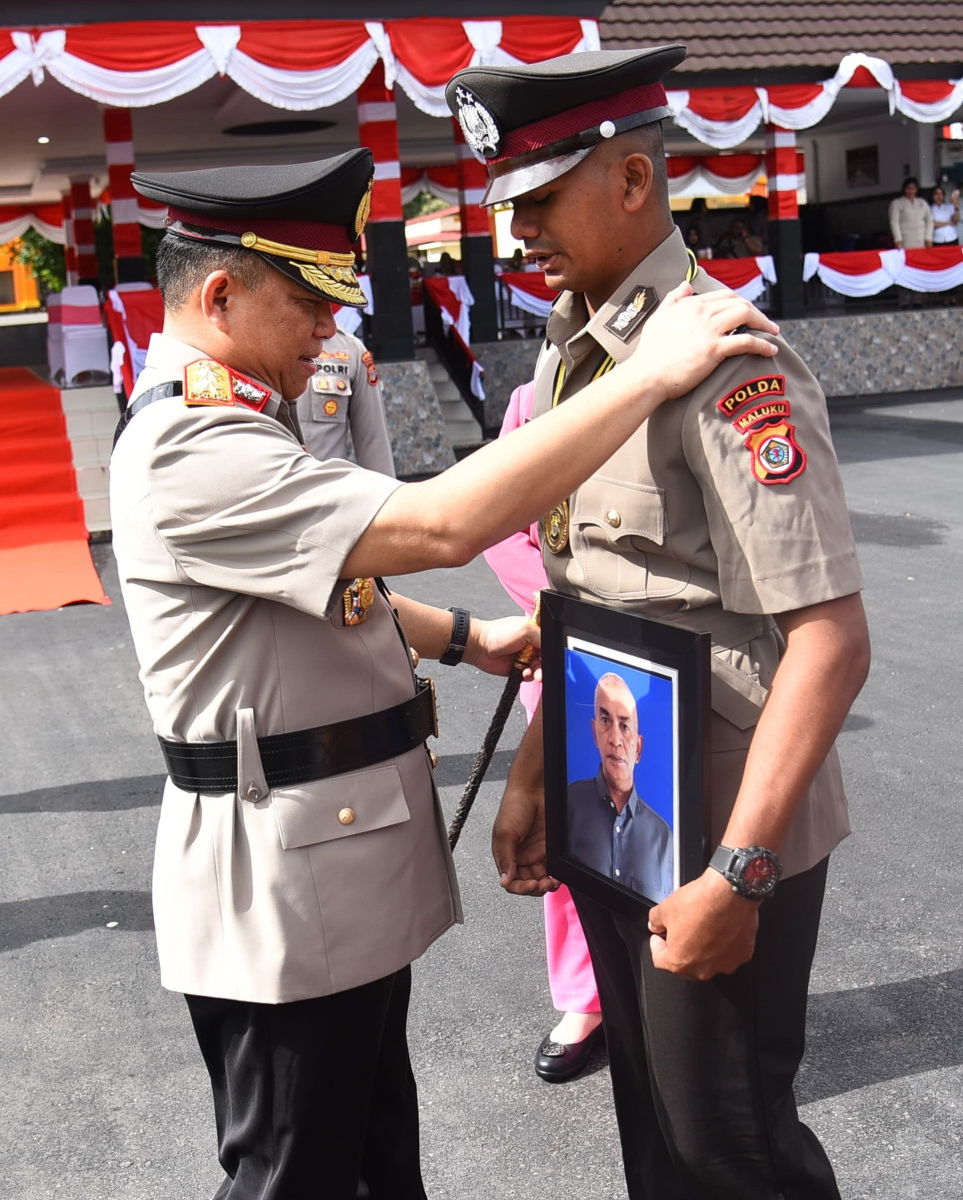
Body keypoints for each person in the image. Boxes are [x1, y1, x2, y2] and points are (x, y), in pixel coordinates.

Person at [112, 146, 779, 1200]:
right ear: (223, 294)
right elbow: (436, 522)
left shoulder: (243, 414)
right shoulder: (193, 446)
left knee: (373, 1160)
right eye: (307, 302)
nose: (330, 329)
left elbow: (331, 588)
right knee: (296, 1170)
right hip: (286, 874)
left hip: (329, 854)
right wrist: (648, 371)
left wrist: (467, 640)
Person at [448, 44, 870, 1200]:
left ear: (632, 182)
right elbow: (579, 590)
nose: (515, 232)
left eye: (537, 200)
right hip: (616, 797)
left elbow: (829, 640)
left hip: (724, 821)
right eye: (507, 207)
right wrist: (537, 774)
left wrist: (740, 871)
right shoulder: (577, 345)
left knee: (730, 1148)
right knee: (654, 1135)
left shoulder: (727, 360)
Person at [483, 381, 603, 1084]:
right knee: (566, 830)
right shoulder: (535, 393)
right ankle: (585, 1000)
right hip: (565, 651)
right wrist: (566, 614)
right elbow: (504, 524)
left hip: (674, 657)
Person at [567, 673, 673, 903]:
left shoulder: (663, 837)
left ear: (638, 749)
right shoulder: (569, 803)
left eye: (625, 726)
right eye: (606, 721)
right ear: (594, 731)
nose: (615, 739)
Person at [293, 327, 396, 475]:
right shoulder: (256, 344)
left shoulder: (350, 349)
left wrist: (387, 495)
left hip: (326, 490)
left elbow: (374, 445)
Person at [889, 177, 933, 248]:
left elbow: (929, 221)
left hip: (921, 240)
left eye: (913, 189)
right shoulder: (897, 203)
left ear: (916, 190)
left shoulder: (922, 203)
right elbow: (894, 223)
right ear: (904, 189)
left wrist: (928, 237)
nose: (911, 191)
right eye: (908, 188)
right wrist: (898, 239)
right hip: (906, 240)